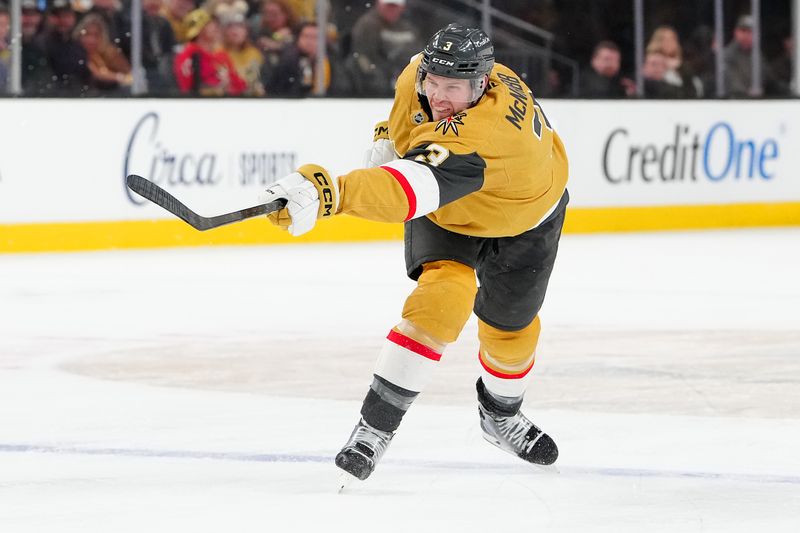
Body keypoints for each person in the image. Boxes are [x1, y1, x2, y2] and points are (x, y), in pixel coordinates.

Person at [260, 23, 568, 481]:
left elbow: (408, 187)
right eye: (435, 84)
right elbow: (408, 104)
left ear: (482, 85)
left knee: (511, 329)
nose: (440, 97)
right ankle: (373, 429)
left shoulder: (487, 134)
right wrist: (389, 133)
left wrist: (332, 195)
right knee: (442, 298)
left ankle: (499, 415)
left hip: (525, 216)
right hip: (450, 209)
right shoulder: (416, 75)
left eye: (455, 89)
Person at [347, 0, 422, 97]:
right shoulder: (367, 25)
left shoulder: (408, 28)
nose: (391, 10)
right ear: (378, 4)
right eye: (388, 6)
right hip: (375, 87)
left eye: (394, 6)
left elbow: (418, 56)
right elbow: (364, 56)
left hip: (404, 84)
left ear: (402, 8)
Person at [173, 8, 246, 96]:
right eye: (210, 23)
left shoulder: (221, 56)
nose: (216, 27)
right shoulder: (188, 55)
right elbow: (187, 89)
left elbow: (239, 85)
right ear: (199, 29)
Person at [262, 20, 328, 96]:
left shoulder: (330, 59)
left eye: (315, 37)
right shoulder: (288, 60)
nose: (310, 41)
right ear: (298, 39)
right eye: (306, 36)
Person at [74, 12, 132, 94]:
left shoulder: (109, 51)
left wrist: (127, 78)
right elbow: (96, 74)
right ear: (79, 34)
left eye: (96, 35)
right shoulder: (76, 53)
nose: (91, 40)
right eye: (87, 34)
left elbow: (129, 72)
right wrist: (119, 77)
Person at [219, 0, 265, 95]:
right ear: (224, 31)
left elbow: (252, 81)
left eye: (239, 26)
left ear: (246, 31)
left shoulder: (254, 53)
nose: (235, 31)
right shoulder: (218, 52)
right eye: (230, 26)